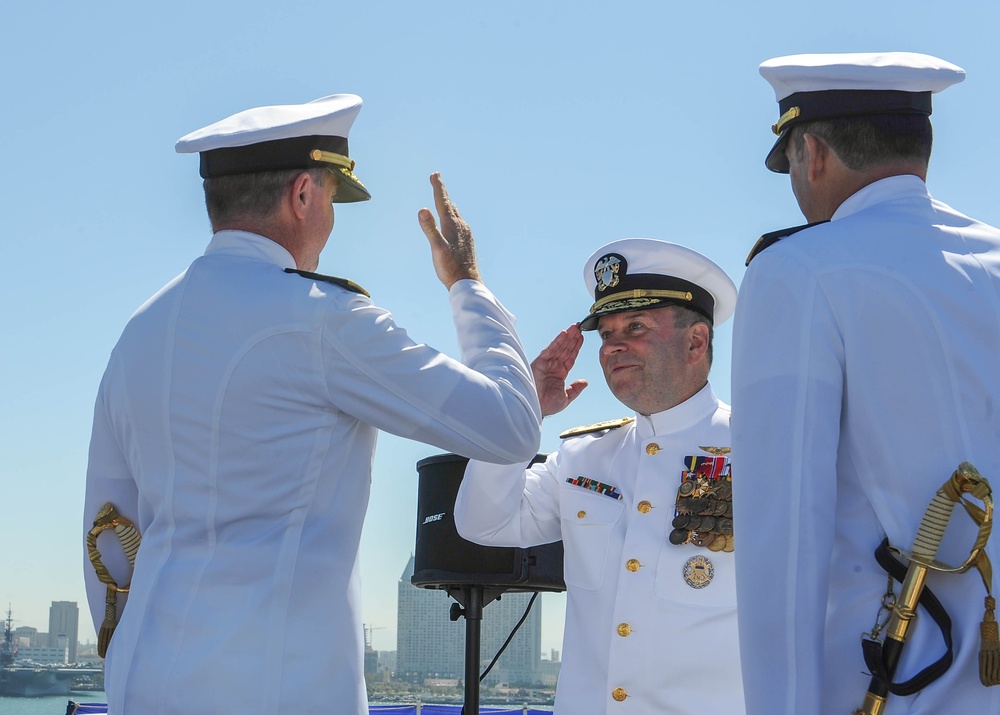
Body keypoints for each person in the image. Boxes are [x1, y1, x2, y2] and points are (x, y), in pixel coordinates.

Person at [82, 93, 542, 715]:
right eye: (330, 198)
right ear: (303, 195)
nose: (329, 222)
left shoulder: (140, 330)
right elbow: (510, 426)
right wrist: (467, 284)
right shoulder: (321, 319)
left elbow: (109, 530)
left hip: (142, 683)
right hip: (276, 692)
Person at [732, 52, 1000, 715]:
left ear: (812, 152)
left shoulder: (800, 271)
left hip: (894, 688)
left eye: (790, 164)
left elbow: (783, 538)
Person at [454, 238, 744, 714]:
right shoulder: (584, 457)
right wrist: (523, 412)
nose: (614, 346)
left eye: (635, 326)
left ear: (696, 341)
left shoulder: (759, 451)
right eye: (606, 334)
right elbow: (482, 524)